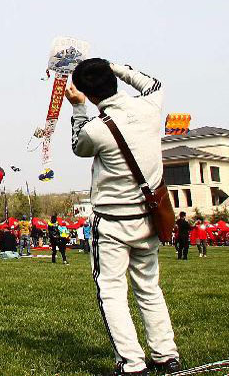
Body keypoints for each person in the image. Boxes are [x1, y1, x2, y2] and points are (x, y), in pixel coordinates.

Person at [67, 59, 180, 375]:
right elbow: (153, 83)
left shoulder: (96, 129)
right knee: (149, 288)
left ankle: (131, 362)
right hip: (149, 218)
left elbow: (78, 146)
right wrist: (114, 66)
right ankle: (165, 355)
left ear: (88, 94)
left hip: (113, 223)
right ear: (114, 80)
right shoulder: (150, 108)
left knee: (112, 292)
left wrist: (77, 109)